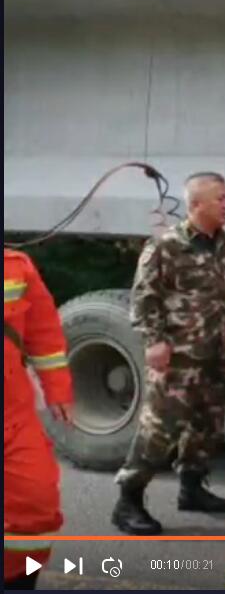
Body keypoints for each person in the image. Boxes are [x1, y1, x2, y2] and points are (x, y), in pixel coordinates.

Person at [112, 172, 225, 535]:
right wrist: (154, 340)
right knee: (159, 430)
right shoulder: (166, 246)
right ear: (196, 204)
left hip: (216, 354)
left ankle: (192, 488)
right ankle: (128, 501)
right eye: (220, 199)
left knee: (207, 427)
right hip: (177, 357)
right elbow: (145, 297)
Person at [4, 250, 73, 590]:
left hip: (12, 413)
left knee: (36, 503)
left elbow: (43, 331)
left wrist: (57, 389)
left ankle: (19, 581)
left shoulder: (15, 267)